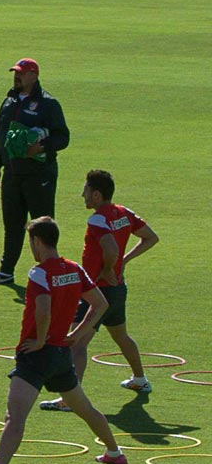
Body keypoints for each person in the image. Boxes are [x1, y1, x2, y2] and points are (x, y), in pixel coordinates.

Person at [0, 217, 127, 464]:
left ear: (37, 242)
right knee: (84, 408)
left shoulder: (39, 272)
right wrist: (76, 336)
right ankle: (114, 452)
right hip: (61, 356)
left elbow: (43, 309)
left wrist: (39, 340)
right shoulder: (75, 269)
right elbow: (100, 304)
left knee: (14, 417)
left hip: (36, 357)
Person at [43, 169, 161, 409]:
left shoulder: (98, 219)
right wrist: (122, 263)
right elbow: (150, 237)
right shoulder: (123, 213)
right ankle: (140, 379)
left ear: (96, 194)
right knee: (120, 336)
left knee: (77, 343)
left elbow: (109, 247)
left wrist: (109, 267)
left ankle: (69, 399)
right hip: (117, 289)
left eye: (85, 190)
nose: (82, 195)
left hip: (97, 291)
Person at [0, 57, 70, 286]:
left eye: (21, 72)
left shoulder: (48, 104)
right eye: (15, 72)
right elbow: (0, 134)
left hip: (39, 174)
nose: (16, 76)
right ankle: (6, 271)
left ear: (34, 75)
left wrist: (40, 146)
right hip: (12, 173)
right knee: (12, 224)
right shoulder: (9, 101)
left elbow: (63, 137)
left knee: (42, 227)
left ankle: (50, 273)